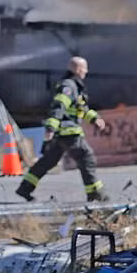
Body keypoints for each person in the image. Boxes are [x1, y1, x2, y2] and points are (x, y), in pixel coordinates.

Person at [16, 56, 109, 202]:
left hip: (62, 133)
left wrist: (94, 119)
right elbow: (59, 107)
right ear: (78, 69)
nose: (87, 71)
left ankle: (25, 188)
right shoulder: (68, 86)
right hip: (69, 132)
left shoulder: (75, 86)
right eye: (85, 68)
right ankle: (94, 193)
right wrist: (51, 127)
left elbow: (81, 108)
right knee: (87, 158)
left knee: (48, 161)